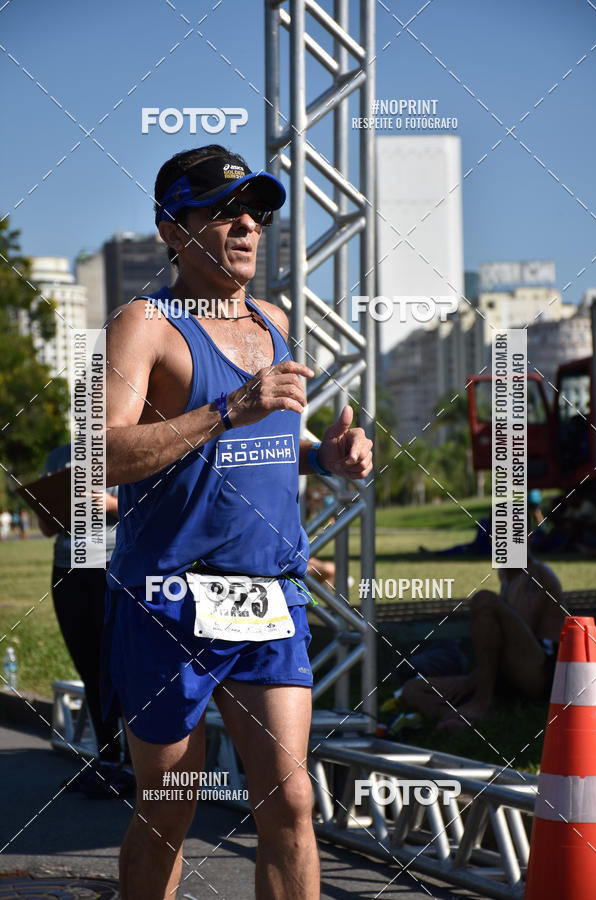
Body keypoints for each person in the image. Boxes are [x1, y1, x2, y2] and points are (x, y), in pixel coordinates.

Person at [102, 145, 373, 900]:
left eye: (257, 211)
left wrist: (330, 459)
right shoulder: (145, 325)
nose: (248, 225)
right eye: (223, 211)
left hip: (268, 595)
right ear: (170, 228)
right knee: (168, 810)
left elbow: (278, 440)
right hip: (168, 600)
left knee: (290, 802)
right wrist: (227, 408)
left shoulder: (273, 320)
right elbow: (104, 455)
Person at [38, 443, 132, 793]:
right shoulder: (57, 457)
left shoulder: (130, 445)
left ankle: (138, 764)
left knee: (118, 666)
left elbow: (157, 508)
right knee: (89, 667)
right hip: (67, 569)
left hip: (112, 566)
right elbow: (46, 528)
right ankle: (108, 759)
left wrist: (108, 504)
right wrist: (52, 507)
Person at [402, 552, 565, 732]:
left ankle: (482, 703)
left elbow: (517, 638)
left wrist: (476, 680)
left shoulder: (537, 575)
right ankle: (458, 717)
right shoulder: (506, 574)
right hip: (505, 675)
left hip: (540, 670)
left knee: (484, 599)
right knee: (412, 690)